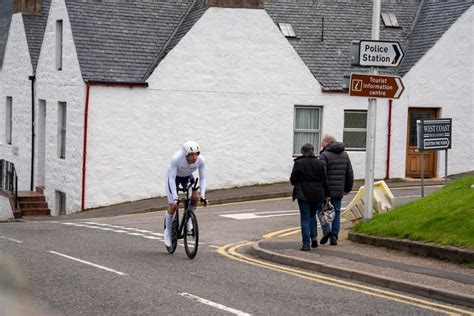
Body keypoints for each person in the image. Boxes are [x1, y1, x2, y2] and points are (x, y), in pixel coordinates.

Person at [164, 141, 207, 247]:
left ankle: (188, 219)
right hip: (174, 178)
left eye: (196, 153)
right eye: (191, 155)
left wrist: (203, 195)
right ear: (185, 155)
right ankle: (168, 232)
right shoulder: (176, 159)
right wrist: (175, 197)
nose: (194, 157)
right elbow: (171, 178)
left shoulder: (201, 160)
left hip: (187, 177)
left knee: (195, 198)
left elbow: (203, 178)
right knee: (173, 205)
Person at [290, 143, 329, 251]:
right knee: (312, 216)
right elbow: (324, 180)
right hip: (317, 193)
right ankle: (314, 239)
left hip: (303, 193)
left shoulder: (298, 163)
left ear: (303, 152)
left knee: (305, 218)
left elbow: (293, 180)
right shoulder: (320, 163)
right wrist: (327, 194)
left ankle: (306, 244)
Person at [318, 134, 354, 246]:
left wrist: (323, 191)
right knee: (337, 213)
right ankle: (334, 237)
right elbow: (349, 173)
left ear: (328, 142)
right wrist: (347, 189)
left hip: (326, 191)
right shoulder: (345, 154)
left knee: (322, 212)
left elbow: (322, 175)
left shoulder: (324, 155)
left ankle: (326, 230)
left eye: (322, 142)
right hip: (338, 191)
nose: (321, 144)